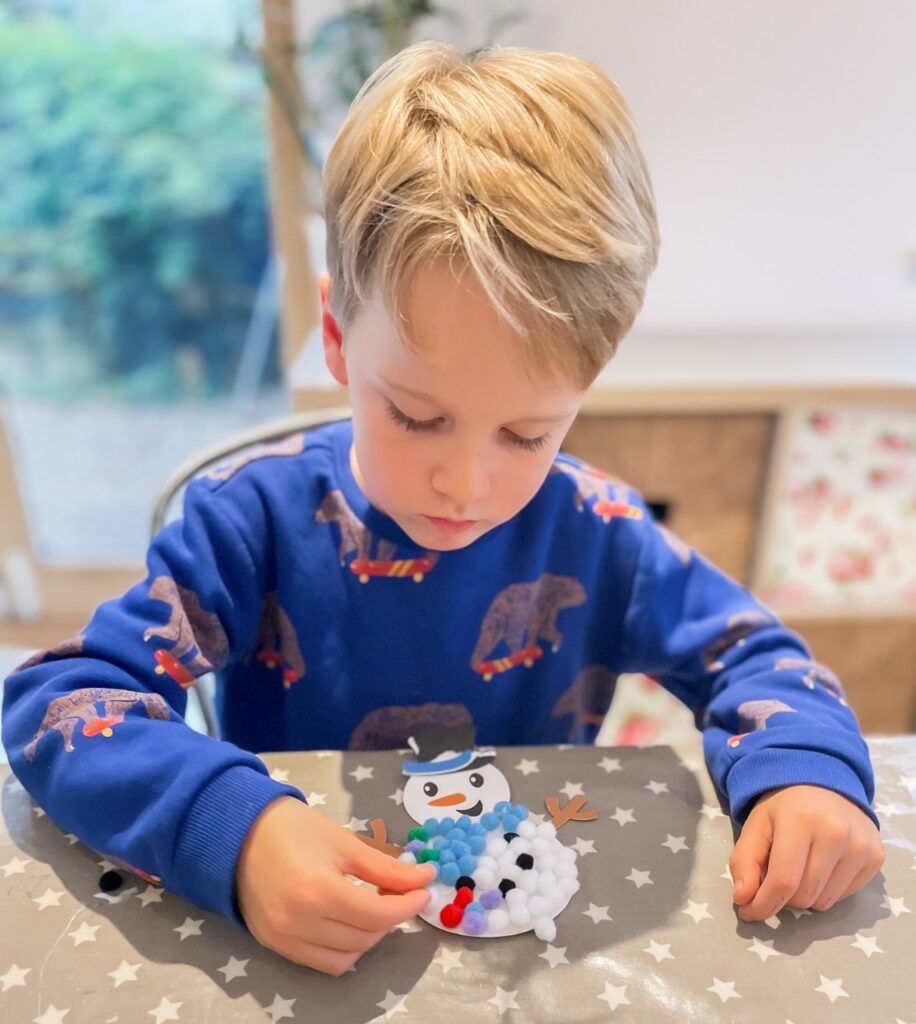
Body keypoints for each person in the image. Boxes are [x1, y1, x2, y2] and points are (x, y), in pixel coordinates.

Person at [1, 41, 883, 977]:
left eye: (527, 434)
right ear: (338, 336)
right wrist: (236, 830)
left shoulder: (602, 533)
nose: (465, 486)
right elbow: (60, 703)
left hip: (527, 938)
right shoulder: (245, 521)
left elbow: (760, 656)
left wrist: (806, 772)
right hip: (299, 947)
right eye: (417, 416)